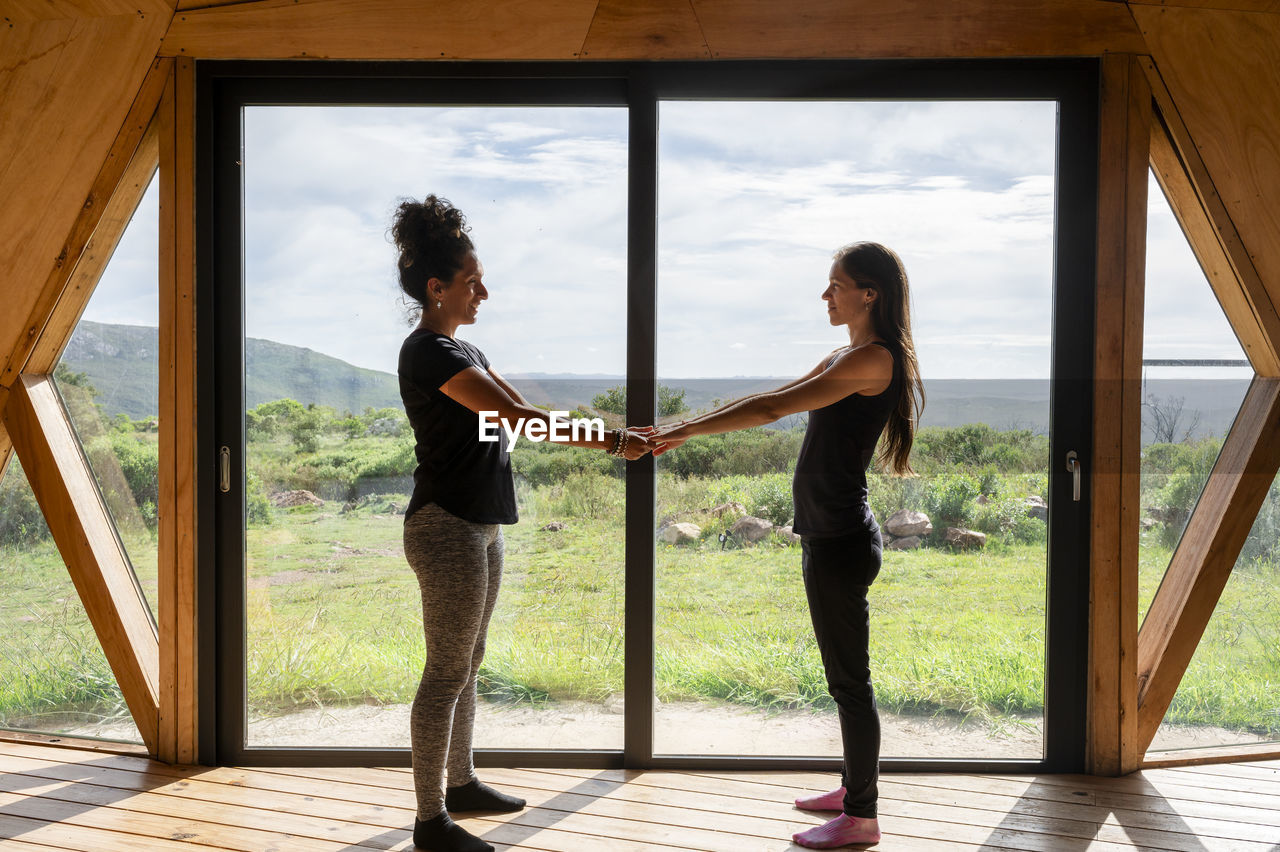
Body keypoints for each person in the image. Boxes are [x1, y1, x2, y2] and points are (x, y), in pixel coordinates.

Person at [393, 195, 656, 852]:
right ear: (437, 286)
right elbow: (520, 421)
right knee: (446, 669)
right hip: (444, 525)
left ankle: (460, 784)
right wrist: (613, 441)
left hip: (481, 525)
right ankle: (431, 822)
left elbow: (515, 406)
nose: (484, 289)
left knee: (468, 661)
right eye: (471, 279)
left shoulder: (465, 347)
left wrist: (609, 431)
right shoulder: (429, 352)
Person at [646, 242, 924, 849]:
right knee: (843, 678)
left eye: (836, 285)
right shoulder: (847, 355)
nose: (826, 295)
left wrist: (681, 430)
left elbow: (773, 409)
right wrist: (683, 426)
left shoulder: (872, 361)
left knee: (851, 683)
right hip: (829, 534)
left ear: (869, 293)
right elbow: (772, 396)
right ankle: (853, 784)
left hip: (841, 540)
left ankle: (862, 817)